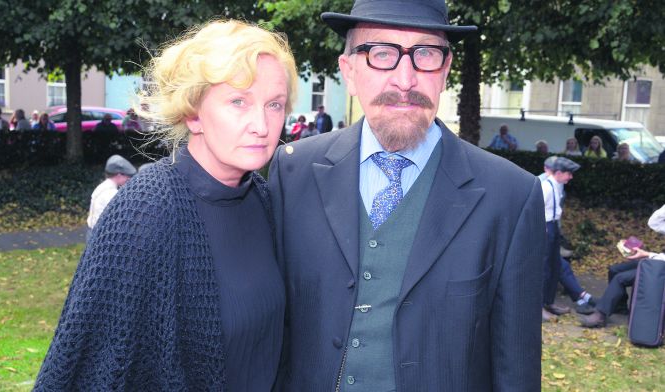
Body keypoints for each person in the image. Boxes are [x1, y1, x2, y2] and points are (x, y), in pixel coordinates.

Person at [268, 1, 545, 390]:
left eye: (426, 54)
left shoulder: (511, 197)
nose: (405, 79)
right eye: (381, 54)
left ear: (445, 71)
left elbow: (515, 369)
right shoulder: (293, 172)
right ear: (349, 71)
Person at [34, 20, 298, 391]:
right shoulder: (145, 209)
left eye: (274, 104)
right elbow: (87, 369)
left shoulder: (264, 199)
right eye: (238, 101)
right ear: (192, 113)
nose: (262, 124)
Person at [581, 247, 665, 328]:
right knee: (614, 270)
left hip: (660, 268)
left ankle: (600, 316)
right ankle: (620, 306)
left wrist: (648, 254)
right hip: (658, 261)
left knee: (620, 279)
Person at [540, 156, 580, 322]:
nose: (570, 177)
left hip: (554, 227)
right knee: (543, 268)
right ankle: (539, 307)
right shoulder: (545, 187)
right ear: (557, 172)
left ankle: (549, 302)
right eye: (568, 173)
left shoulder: (558, 186)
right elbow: (535, 210)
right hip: (545, 227)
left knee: (554, 266)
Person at [85, 154, 137, 239]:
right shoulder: (111, 193)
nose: (128, 181)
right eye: (127, 177)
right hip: (100, 236)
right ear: (119, 175)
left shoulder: (102, 187)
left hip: (91, 231)